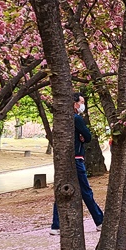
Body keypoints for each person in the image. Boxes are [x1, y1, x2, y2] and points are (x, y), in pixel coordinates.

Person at [49, 93, 104, 235]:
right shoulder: (76, 119)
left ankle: (56, 225)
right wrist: (82, 137)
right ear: (74, 104)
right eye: (81, 102)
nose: (82, 105)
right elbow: (88, 136)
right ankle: (100, 221)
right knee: (86, 191)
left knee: (62, 191)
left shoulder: (60, 120)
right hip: (77, 159)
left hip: (63, 161)